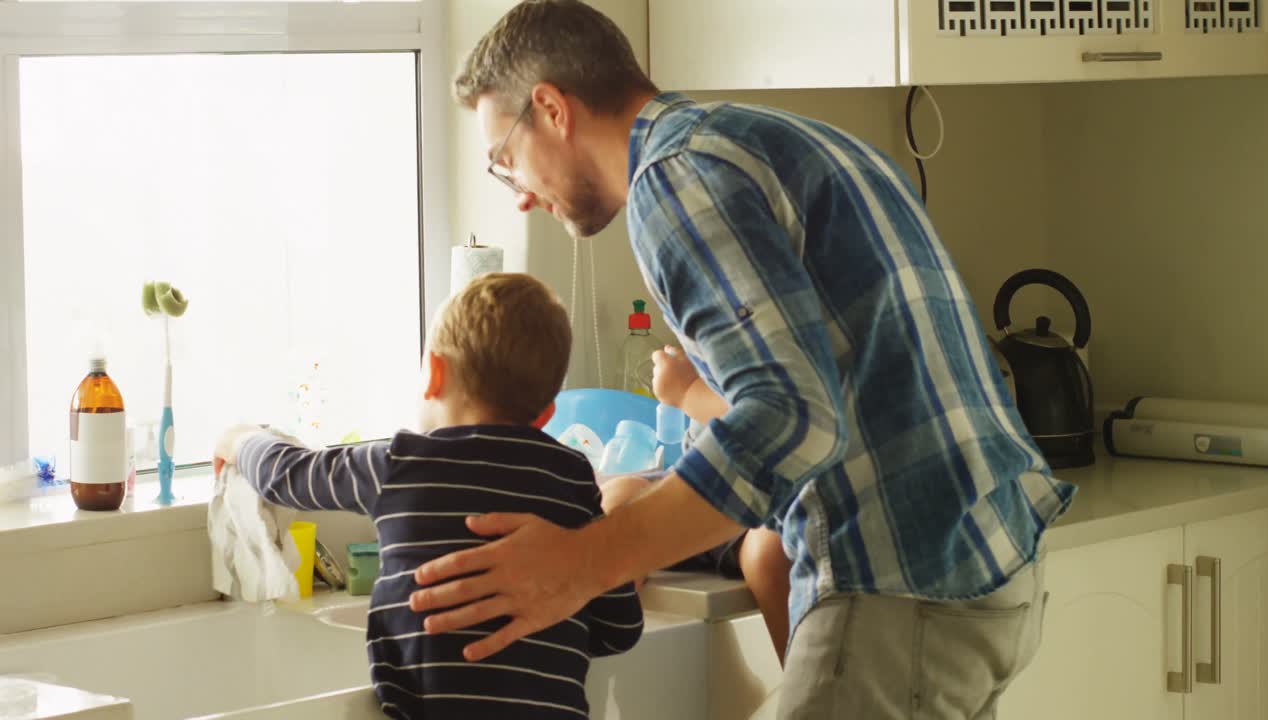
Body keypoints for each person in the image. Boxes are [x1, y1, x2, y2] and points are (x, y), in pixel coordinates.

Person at [411, 1, 1077, 716]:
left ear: (551, 108)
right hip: (988, 562)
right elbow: (814, 394)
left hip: (898, 583)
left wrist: (583, 563)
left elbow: (789, 419)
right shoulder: (776, 140)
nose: (518, 199)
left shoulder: (675, 179)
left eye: (504, 162)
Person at [214, 272, 643, 720]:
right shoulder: (572, 478)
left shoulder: (400, 464)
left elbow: (290, 474)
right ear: (546, 413)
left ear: (433, 374)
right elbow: (621, 629)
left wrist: (240, 439)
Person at [599, 346, 793, 665]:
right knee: (619, 496)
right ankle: (608, 634)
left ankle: (808, 689)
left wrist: (688, 390)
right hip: (698, 476)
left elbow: (770, 425)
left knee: (769, 554)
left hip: (766, 495)